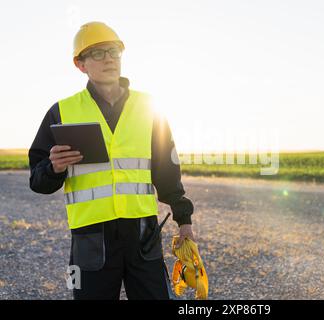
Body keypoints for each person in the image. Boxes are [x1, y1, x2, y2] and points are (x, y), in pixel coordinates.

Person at [28, 21, 195, 300]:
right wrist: (54, 168)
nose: (108, 58)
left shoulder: (149, 108)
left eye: (114, 51)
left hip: (142, 233)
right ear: (80, 64)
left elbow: (167, 172)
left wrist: (184, 221)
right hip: (89, 238)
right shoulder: (62, 112)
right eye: (97, 53)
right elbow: (37, 180)